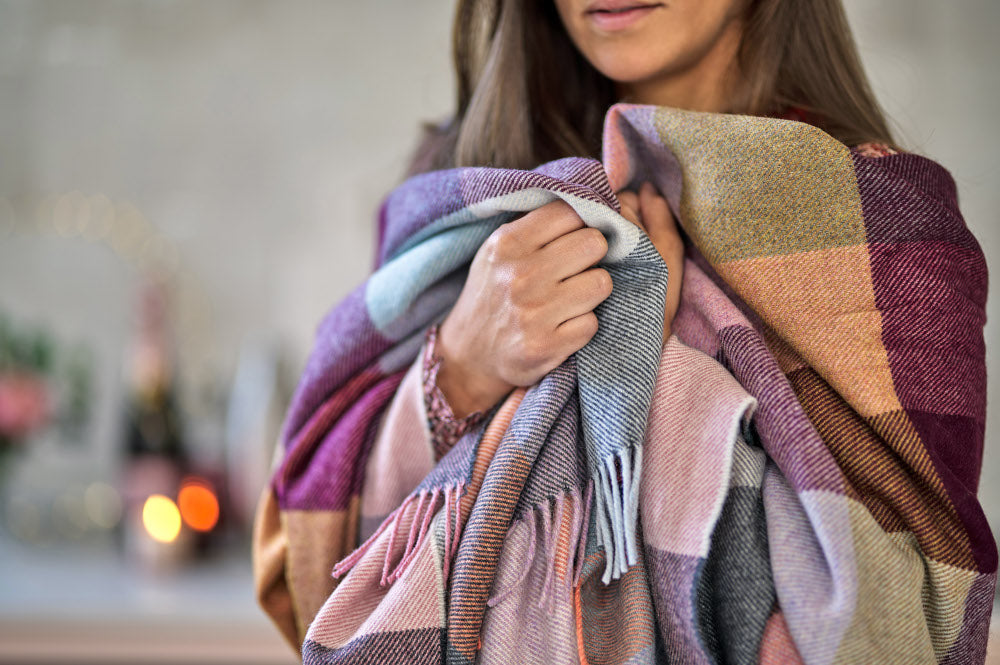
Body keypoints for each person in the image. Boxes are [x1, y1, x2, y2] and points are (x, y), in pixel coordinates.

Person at [254, 1, 994, 662]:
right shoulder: (459, 191)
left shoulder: (887, 232)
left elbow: (898, 624)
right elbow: (311, 563)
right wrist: (461, 366)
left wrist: (646, 347)